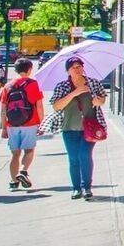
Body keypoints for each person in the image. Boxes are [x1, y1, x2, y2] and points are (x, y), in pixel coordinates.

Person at [44, 57, 107, 201]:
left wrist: (99, 101)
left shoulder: (93, 83)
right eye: (74, 67)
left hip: (90, 127)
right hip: (69, 127)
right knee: (73, 159)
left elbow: (102, 99)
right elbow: (56, 106)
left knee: (84, 154)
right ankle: (76, 188)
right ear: (68, 71)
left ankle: (87, 187)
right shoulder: (62, 86)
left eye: (79, 66)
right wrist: (75, 92)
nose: (77, 69)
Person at [0, 57, 43, 190]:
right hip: (30, 122)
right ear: (30, 69)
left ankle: (13, 182)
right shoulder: (33, 84)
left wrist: (4, 127)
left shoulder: (8, 86)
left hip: (12, 124)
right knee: (29, 150)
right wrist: (41, 122)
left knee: (15, 154)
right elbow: (39, 105)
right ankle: (23, 171)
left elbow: (3, 109)